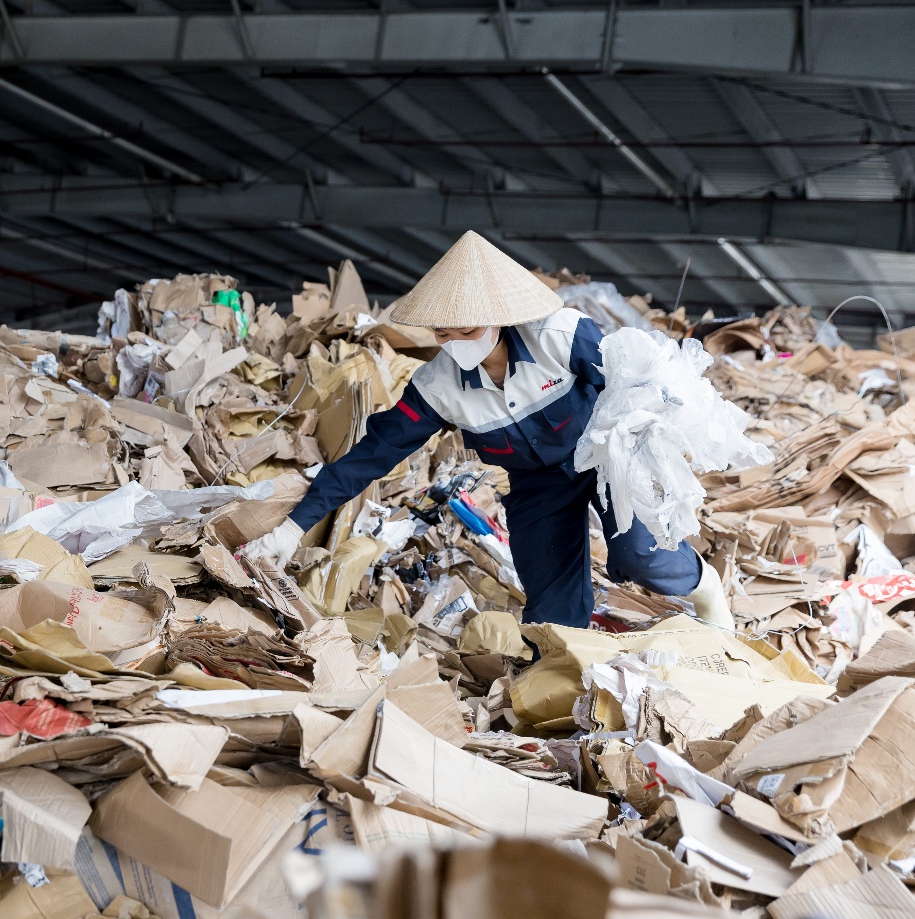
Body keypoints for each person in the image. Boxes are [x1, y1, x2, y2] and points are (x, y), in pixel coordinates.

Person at [244, 231, 734, 631]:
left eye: (465, 329)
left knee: (642, 555)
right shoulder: (437, 387)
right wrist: (293, 525)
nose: (453, 342)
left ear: (496, 318)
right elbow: (373, 454)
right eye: (442, 333)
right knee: (551, 616)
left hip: (608, 456)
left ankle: (707, 589)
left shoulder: (559, 336)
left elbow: (638, 386)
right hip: (538, 486)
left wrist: (657, 455)